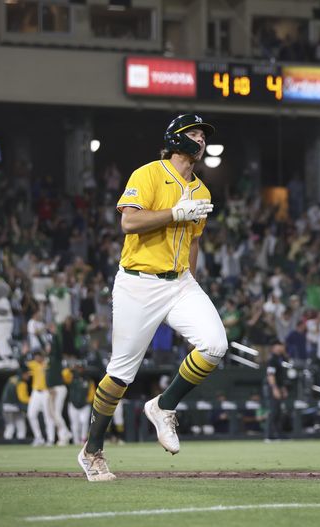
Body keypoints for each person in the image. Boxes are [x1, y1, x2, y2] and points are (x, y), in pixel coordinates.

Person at [78, 113, 225, 482]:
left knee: (215, 344)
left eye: (203, 135)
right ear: (176, 138)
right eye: (194, 133)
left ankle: (163, 405)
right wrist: (174, 212)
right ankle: (92, 451)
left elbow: (193, 241)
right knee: (120, 374)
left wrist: (192, 278)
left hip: (179, 282)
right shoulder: (147, 173)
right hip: (138, 283)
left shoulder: (203, 190)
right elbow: (128, 222)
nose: (201, 139)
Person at [45, 323, 72, 446]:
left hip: (59, 388)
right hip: (53, 389)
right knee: (52, 414)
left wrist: (55, 334)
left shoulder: (55, 358)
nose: (48, 348)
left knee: (55, 413)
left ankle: (66, 433)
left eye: (49, 346)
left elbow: (57, 348)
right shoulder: (49, 359)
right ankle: (63, 436)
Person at [26, 350, 55, 446]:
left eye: (38, 356)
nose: (36, 358)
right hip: (36, 393)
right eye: (35, 356)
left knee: (48, 416)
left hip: (46, 392)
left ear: (42, 356)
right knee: (31, 414)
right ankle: (39, 438)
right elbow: (23, 364)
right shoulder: (33, 364)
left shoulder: (48, 363)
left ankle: (50, 439)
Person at [264, 342, 289, 441]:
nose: (281, 347)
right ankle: (269, 436)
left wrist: (283, 389)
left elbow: (281, 377)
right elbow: (270, 375)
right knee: (273, 412)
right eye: (279, 346)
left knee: (279, 412)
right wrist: (275, 389)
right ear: (274, 347)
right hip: (272, 388)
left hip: (278, 387)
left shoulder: (281, 358)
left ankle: (279, 435)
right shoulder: (272, 359)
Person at [67, 362, 94, 445]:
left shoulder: (88, 379)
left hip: (84, 405)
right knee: (75, 424)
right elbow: (64, 375)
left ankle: (83, 440)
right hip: (73, 404)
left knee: (84, 422)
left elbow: (92, 393)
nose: (79, 369)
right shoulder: (71, 377)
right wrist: (70, 369)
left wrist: (88, 401)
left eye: (81, 367)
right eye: (78, 368)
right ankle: (76, 441)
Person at [1, 370, 30, 441]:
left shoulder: (11, 378)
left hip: (5, 405)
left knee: (10, 426)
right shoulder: (22, 383)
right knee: (20, 425)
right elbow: (23, 398)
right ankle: (21, 442)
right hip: (15, 406)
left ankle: (6, 444)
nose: (29, 376)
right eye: (27, 374)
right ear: (23, 374)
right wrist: (33, 400)